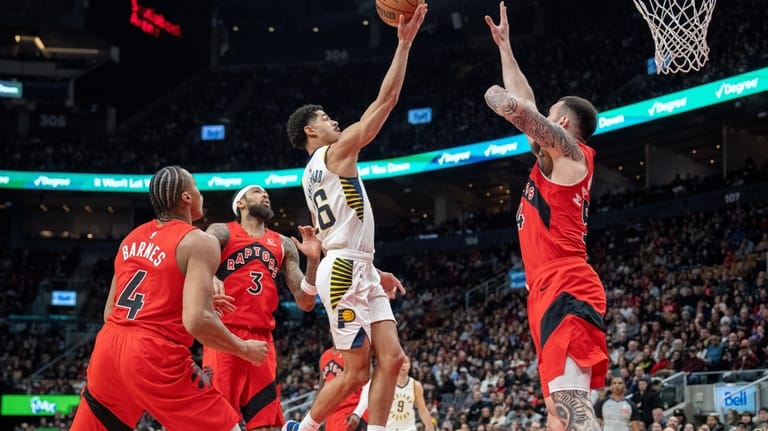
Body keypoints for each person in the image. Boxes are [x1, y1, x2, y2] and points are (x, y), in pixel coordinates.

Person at [283, 4, 428, 431]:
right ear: (311, 131)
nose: (335, 122)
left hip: (353, 264)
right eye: (326, 119)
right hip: (344, 271)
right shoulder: (331, 154)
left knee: (396, 358)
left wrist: (372, 266)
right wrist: (403, 44)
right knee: (356, 373)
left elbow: (339, 231)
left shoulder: (311, 176)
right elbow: (386, 100)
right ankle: (303, 429)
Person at [483, 2, 606, 431]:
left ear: (564, 121)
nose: (542, 118)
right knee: (558, 411)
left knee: (573, 409)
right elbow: (527, 104)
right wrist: (506, 48)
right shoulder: (551, 159)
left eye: (551, 115)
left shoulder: (574, 155)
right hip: (545, 289)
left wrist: (501, 102)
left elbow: (522, 111)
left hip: (567, 284)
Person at [71, 165, 269, 431]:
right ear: (187, 198)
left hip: (107, 348)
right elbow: (197, 320)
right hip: (152, 353)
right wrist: (244, 349)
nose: (200, 193)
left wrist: (198, 298)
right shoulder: (199, 240)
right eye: (196, 187)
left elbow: (111, 312)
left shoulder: (131, 238)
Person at [202, 184, 321, 430]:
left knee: (267, 423)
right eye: (256, 192)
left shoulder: (283, 244)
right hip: (224, 335)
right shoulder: (223, 231)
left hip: (262, 340)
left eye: (266, 193)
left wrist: (313, 261)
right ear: (241, 204)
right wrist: (209, 274)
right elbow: (199, 256)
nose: (265, 194)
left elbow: (305, 301)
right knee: (218, 422)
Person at [319, 346, 369, 431]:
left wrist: (358, 412)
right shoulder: (324, 356)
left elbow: (369, 382)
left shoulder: (355, 351)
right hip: (331, 419)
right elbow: (322, 387)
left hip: (351, 415)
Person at [384, 355, 435, 431]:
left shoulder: (416, 385)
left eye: (406, 362)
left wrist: (429, 426)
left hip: (408, 428)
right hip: (388, 427)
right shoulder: (387, 384)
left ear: (409, 365)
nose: (403, 365)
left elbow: (422, 409)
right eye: (400, 363)